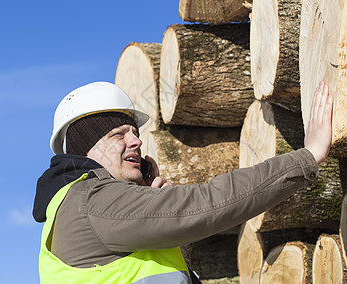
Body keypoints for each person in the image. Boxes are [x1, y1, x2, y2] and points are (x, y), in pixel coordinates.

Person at [33, 81, 333, 283]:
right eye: (119, 134)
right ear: (86, 148)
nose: (136, 141)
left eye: (135, 133)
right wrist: (307, 157)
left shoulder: (75, 204)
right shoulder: (92, 201)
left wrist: (168, 231)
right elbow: (207, 203)